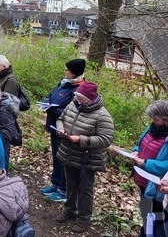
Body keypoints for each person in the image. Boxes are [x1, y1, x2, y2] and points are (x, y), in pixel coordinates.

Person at [55, 81, 114, 233]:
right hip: (69, 153)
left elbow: (106, 139)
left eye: (81, 98)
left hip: (87, 158)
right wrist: (60, 129)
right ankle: (69, 210)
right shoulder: (73, 105)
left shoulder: (103, 115)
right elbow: (60, 118)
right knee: (71, 184)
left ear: (90, 98)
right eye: (77, 97)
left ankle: (83, 219)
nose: (78, 100)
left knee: (85, 190)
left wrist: (81, 139)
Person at [40, 58, 86, 202]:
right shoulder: (63, 83)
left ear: (74, 73)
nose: (64, 72)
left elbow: (72, 112)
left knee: (63, 159)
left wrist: (52, 109)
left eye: (67, 70)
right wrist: (47, 102)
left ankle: (63, 189)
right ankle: (55, 183)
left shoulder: (78, 89)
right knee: (55, 156)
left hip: (66, 130)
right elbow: (51, 94)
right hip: (54, 126)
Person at [132, 100, 168, 237]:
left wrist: (146, 163)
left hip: (157, 186)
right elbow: (140, 144)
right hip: (143, 181)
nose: (152, 120)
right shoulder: (152, 127)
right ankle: (145, 233)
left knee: (158, 219)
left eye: (156, 118)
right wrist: (135, 151)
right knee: (146, 213)